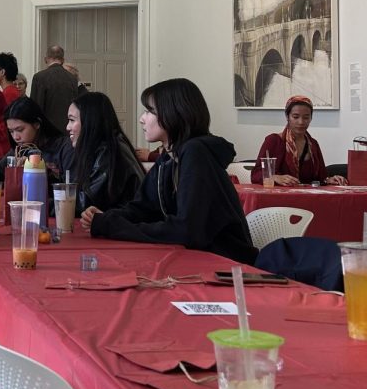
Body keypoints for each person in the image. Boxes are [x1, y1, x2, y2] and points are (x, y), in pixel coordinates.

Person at [82, 78, 257, 264]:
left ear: (174, 113)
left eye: (150, 111)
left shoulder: (195, 153)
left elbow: (187, 230)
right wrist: (106, 217)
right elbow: (143, 208)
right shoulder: (169, 157)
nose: (142, 119)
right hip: (197, 258)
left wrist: (110, 225)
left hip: (226, 265)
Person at [66, 92, 144, 213]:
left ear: (90, 120)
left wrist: (46, 202)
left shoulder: (108, 151)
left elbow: (85, 203)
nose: (67, 127)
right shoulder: (111, 144)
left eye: (72, 120)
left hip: (124, 227)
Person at [250, 95, 347, 185]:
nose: (301, 122)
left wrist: (330, 180)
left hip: (308, 197)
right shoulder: (274, 140)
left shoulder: (313, 144)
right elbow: (255, 175)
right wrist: (274, 177)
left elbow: (322, 178)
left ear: (311, 118)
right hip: (280, 199)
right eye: (295, 117)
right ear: (287, 117)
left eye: (306, 117)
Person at [0, 96, 73, 182]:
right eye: (11, 131)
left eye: (20, 130)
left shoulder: (64, 147)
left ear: (37, 124)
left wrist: (46, 172)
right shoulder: (20, 150)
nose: (16, 137)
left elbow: (73, 185)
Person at [30, 45, 81, 133]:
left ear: (45, 59)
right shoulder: (72, 78)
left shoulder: (39, 77)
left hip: (47, 131)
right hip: (67, 129)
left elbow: (35, 107)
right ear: (63, 60)